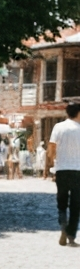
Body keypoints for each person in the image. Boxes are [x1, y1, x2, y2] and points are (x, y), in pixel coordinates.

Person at [48, 102, 80, 246]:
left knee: (61, 202)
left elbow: (51, 148)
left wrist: (54, 162)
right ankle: (71, 236)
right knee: (76, 204)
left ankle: (63, 226)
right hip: (78, 170)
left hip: (62, 169)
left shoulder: (58, 127)